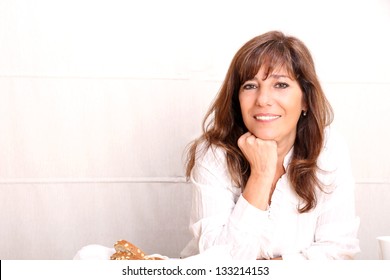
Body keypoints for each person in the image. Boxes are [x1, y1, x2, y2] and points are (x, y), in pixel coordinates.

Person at [180, 31, 360, 260]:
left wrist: (269, 268)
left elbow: (339, 250)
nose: (263, 99)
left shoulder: (329, 149)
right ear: (237, 98)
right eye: (250, 86)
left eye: (281, 84)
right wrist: (261, 174)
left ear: (305, 99)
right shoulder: (214, 153)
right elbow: (220, 262)